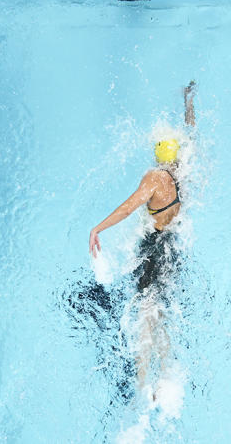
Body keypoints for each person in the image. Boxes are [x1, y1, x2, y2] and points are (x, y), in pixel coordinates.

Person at [88, 80, 196, 399]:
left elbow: (128, 207)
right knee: (160, 311)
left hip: (153, 251)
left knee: (145, 316)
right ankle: (165, 376)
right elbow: (191, 132)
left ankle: (142, 384)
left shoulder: (155, 178)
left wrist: (97, 228)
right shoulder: (183, 173)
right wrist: (188, 102)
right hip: (174, 249)